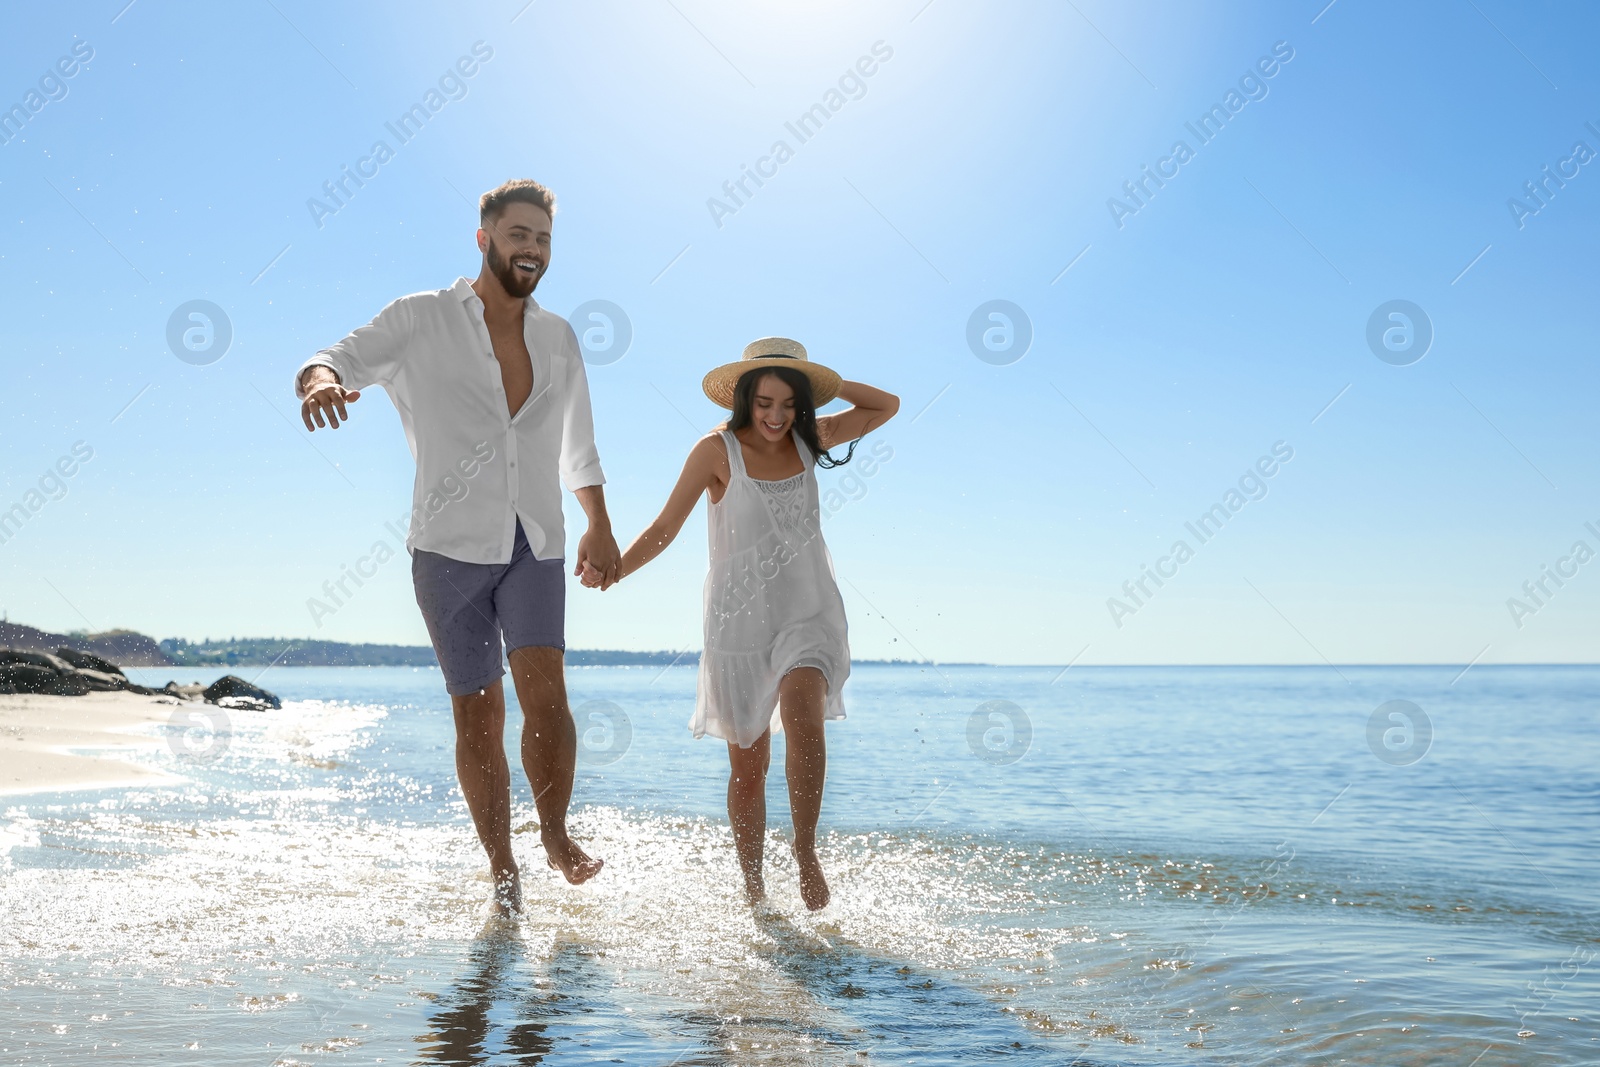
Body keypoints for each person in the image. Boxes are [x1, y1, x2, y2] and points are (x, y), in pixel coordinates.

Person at [294, 179, 619, 916]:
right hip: (446, 547)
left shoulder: (559, 336)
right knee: (478, 715)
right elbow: (332, 357)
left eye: (541, 238)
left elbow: (579, 447)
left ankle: (557, 831)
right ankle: (503, 866)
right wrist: (320, 382)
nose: (531, 248)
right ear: (484, 239)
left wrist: (599, 523)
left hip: (534, 537)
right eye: (518, 234)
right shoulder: (420, 318)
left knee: (548, 692)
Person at [589, 338, 898, 909]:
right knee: (748, 768)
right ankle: (754, 890)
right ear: (743, 401)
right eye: (764, 403)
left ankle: (805, 849)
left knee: (805, 713)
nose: (776, 416)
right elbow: (665, 526)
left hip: (808, 612)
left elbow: (886, 405)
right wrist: (617, 571)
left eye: (788, 402)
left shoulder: (812, 440)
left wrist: (824, 383)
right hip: (738, 626)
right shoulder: (716, 451)